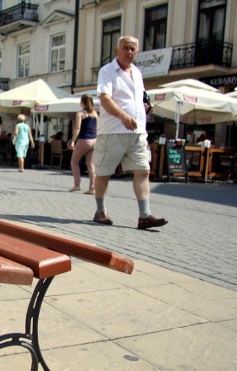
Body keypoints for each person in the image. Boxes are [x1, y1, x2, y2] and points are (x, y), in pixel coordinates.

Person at [93, 35, 168, 229]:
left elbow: (137, 99)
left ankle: (145, 215)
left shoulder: (137, 72)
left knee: (143, 170)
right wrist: (123, 116)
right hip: (113, 131)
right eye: (126, 48)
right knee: (104, 173)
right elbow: (105, 99)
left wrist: (143, 109)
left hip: (137, 133)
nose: (129, 52)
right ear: (117, 50)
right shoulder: (107, 71)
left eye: (133, 49)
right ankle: (100, 211)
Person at [69, 94, 98, 194]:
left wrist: (73, 141)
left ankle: (77, 185)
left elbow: (77, 128)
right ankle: (92, 188)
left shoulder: (80, 113)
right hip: (94, 140)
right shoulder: (95, 113)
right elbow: (97, 128)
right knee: (91, 165)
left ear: (82, 102)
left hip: (84, 140)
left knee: (74, 161)